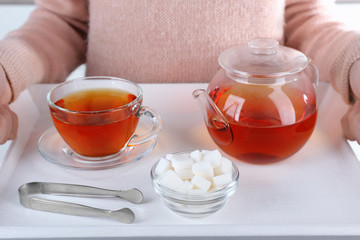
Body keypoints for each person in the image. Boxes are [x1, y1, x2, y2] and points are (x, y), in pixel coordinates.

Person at [1, 0, 360, 144]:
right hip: (115, 140)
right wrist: (6, 67)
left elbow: (305, 17)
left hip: (262, 140)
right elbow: (63, 21)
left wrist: (353, 59)